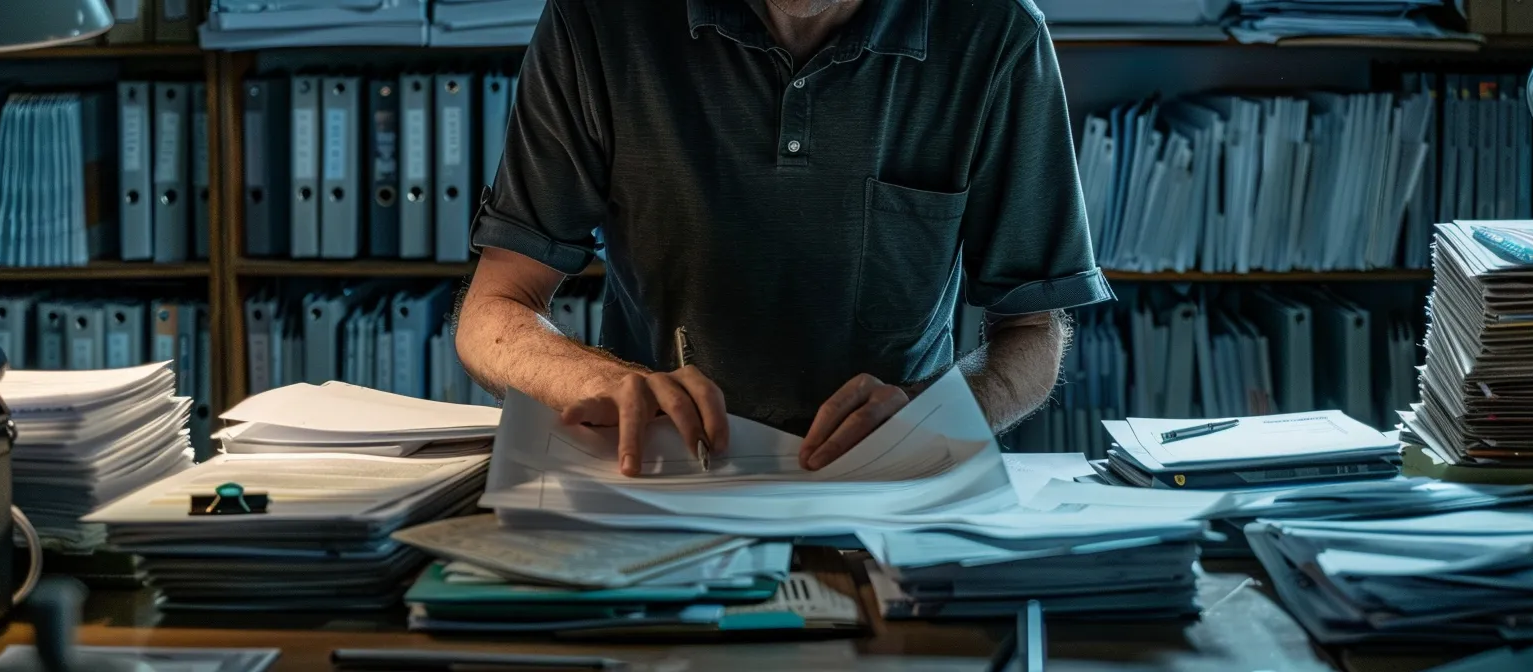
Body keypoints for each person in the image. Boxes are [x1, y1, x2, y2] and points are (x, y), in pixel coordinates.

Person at [456, 0, 1109, 477]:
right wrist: (599, 382)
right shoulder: (595, 21)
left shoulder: (997, 36)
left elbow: (1032, 330)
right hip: (661, 474)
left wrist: (927, 416)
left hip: (889, 482)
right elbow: (494, 311)